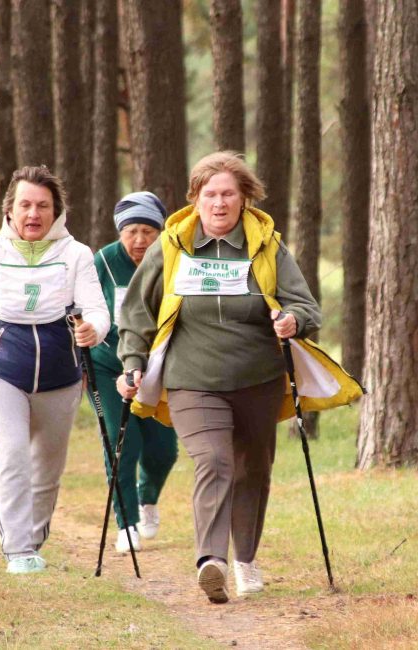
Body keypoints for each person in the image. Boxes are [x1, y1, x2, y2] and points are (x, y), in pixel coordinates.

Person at [116, 151, 362, 603]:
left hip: (258, 379)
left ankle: (246, 558)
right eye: (209, 194)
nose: (219, 203)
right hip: (193, 378)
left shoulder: (267, 247)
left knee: (254, 470)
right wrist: (132, 363)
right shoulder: (171, 246)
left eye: (229, 194)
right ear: (195, 199)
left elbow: (306, 307)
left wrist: (291, 320)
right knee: (213, 460)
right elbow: (136, 314)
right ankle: (212, 561)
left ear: (245, 199)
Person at [0, 166, 110, 574]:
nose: (33, 214)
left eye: (42, 206)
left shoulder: (76, 254)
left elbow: (96, 310)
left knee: (47, 469)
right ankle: (18, 550)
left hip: (61, 377)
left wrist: (94, 329)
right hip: (1, 372)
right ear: (9, 210)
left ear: (56, 211)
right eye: (25, 205)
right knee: (14, 454)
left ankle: (33, 541)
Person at [90, 191, 179, 554]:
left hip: (158, 366)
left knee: (163, 450)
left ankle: (148, 497)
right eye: (132, 232)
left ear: (159, 232)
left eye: (148, 231)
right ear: (120, 232)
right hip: (108, 363)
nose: (140, 240)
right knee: (122, 442)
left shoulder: (170, 259)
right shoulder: (104, 262)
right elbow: (84, 308)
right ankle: (126, 523)